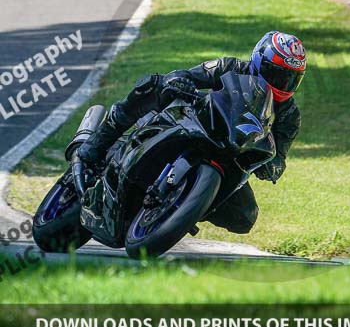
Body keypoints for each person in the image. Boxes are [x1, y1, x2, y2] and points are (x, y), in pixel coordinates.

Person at [78, 31, 306, 234]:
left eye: (290, 78)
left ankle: (182, 208)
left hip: (232, 157)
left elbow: (279, 153)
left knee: (245, 217)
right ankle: (95, 145)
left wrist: (273, 167)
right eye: (276, 74)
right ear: (258, 60)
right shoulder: (230, 67)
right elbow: (190, 75)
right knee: (153, 85)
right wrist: (181, 81)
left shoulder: (289, 115)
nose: (282, 83)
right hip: (199, 124)